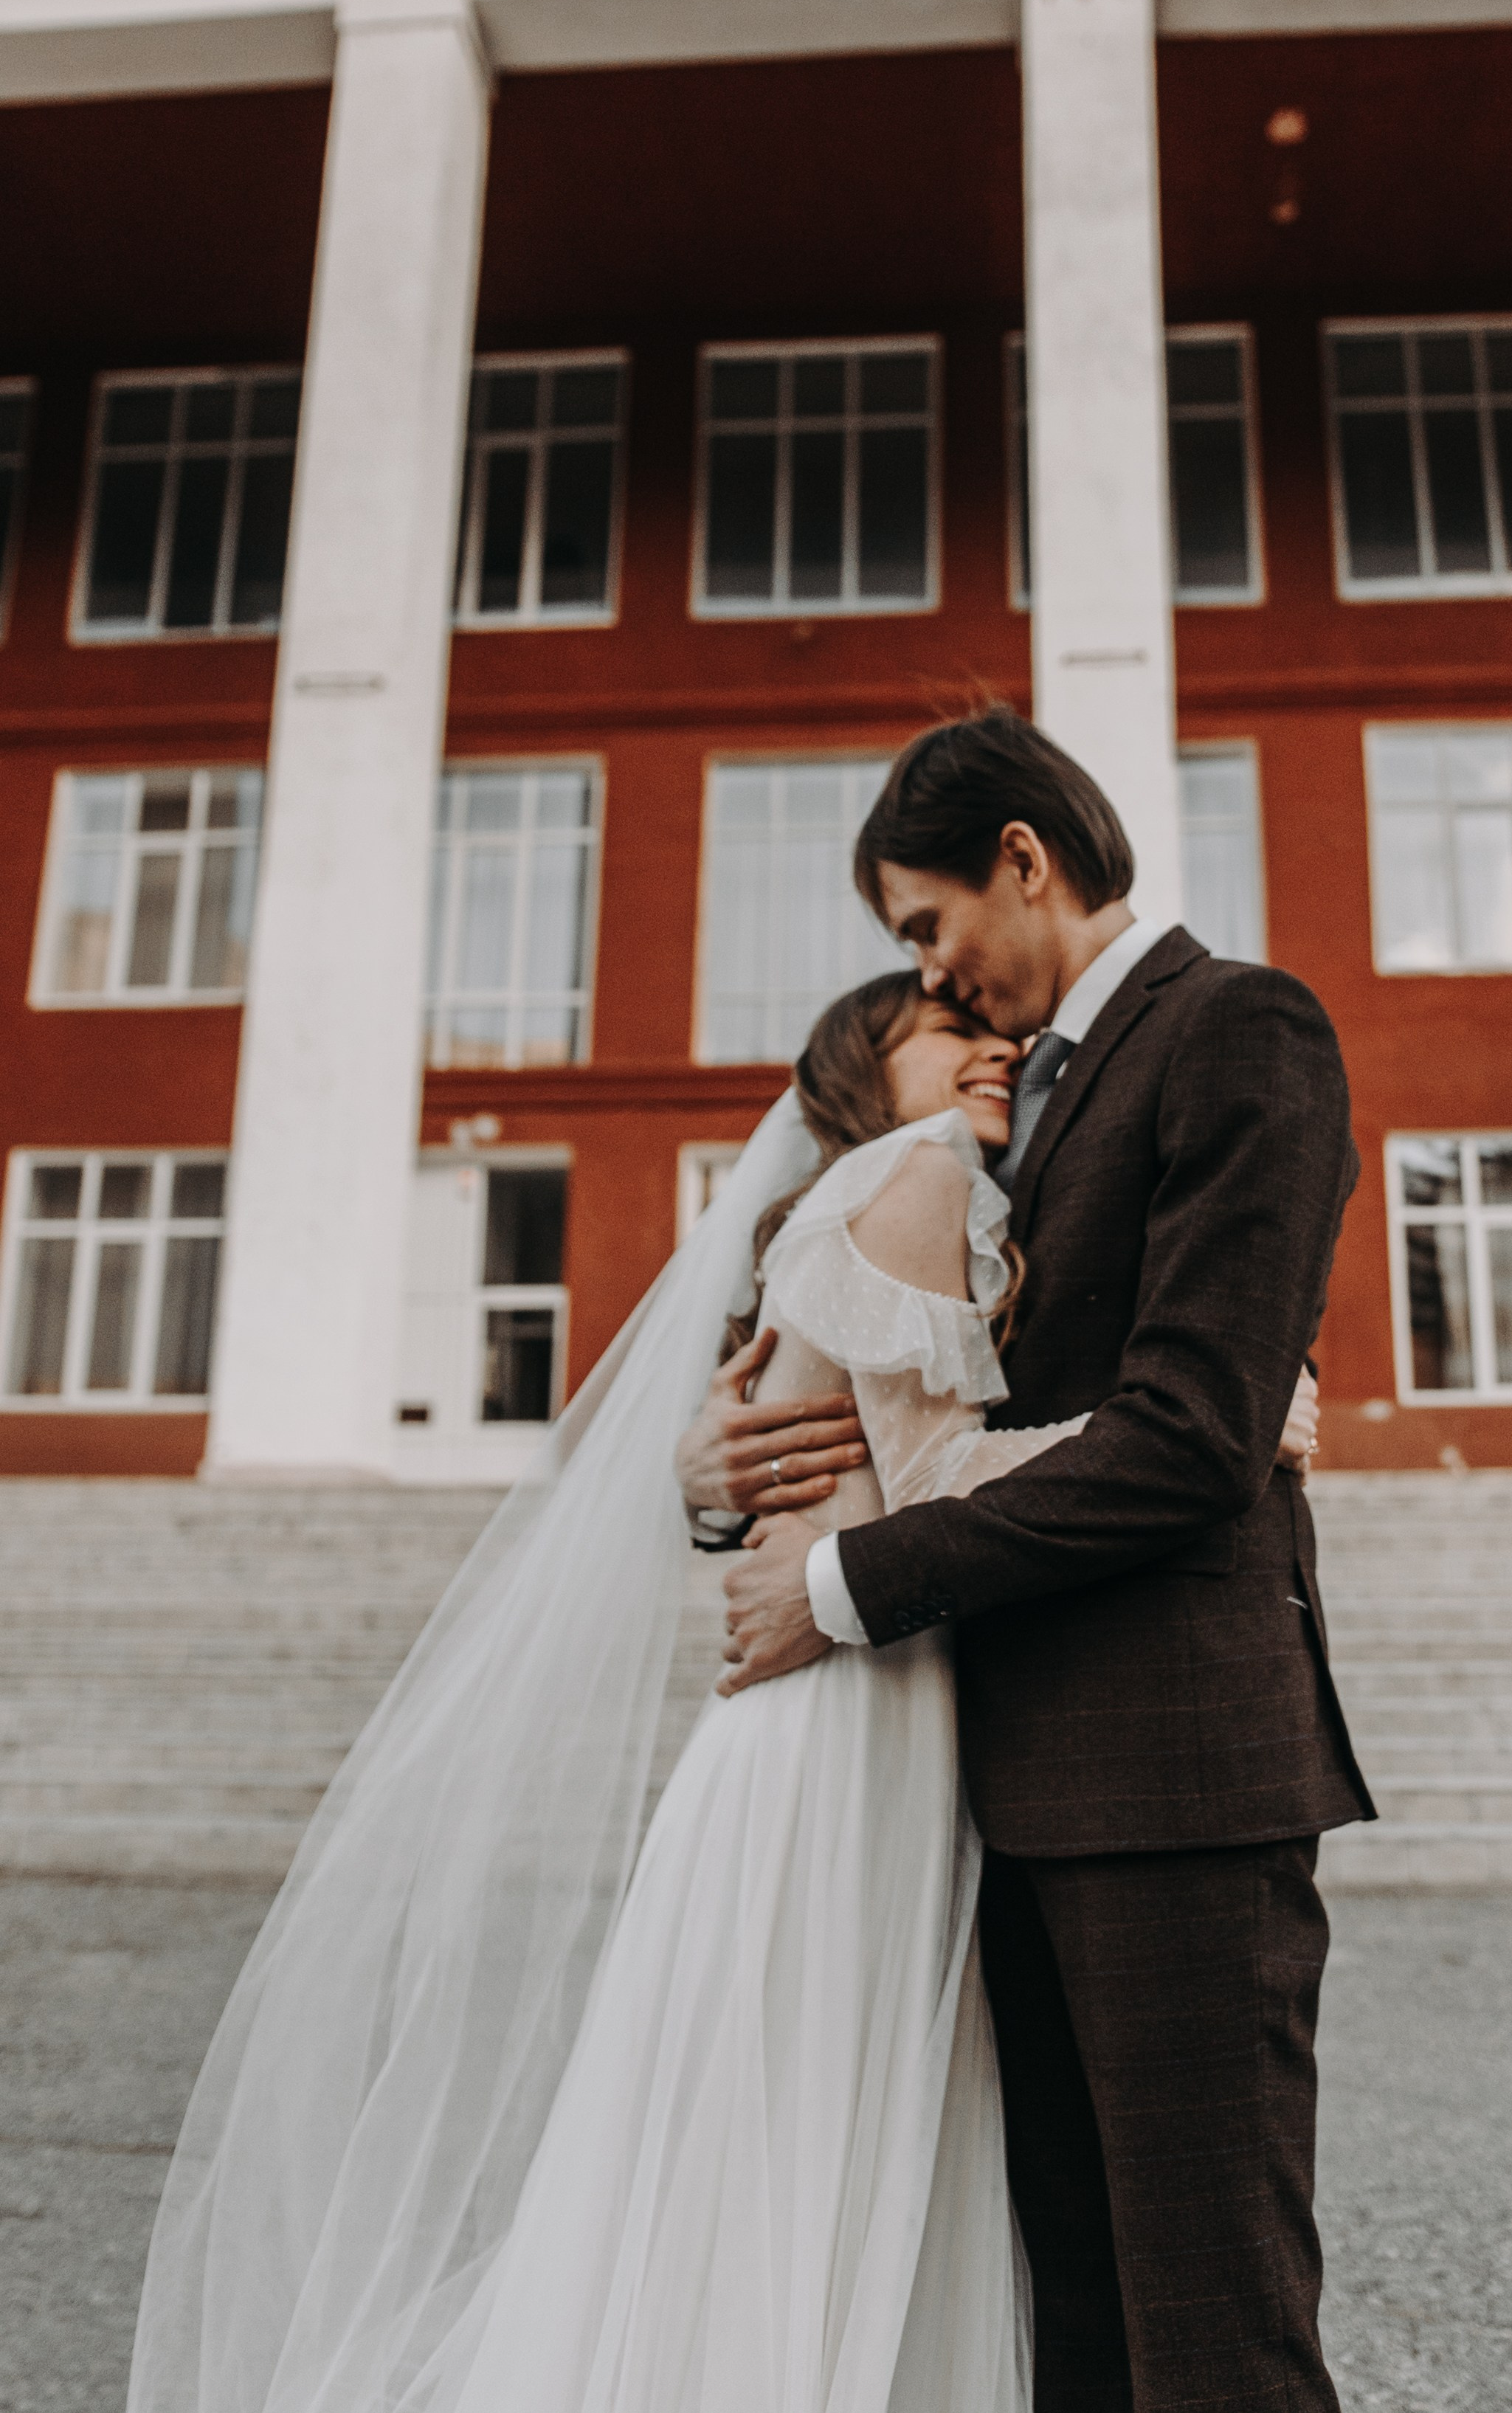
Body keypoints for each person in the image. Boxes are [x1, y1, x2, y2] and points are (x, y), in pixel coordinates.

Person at [133, 969, 1147, 2413]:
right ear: (865, 1065)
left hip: (838, 1709)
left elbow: (857, 1468)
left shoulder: (875, 1202)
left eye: (1002, 1035)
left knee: (761, 2119)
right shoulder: (916, 1181)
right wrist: (1174, 1432)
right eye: (951, 1032)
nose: (996, 1050)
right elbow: (927, 1484)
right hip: (849, 1717)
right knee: (822, 2104)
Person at [684, 709, 1374, 2413]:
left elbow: (1188, 1437)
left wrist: (839, 1585)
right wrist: (721, 1474)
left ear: (1021, 855)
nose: (931, 974)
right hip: (995, 1785)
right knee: (1067, 2315)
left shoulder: (1237, 1028)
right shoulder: (999, 1122)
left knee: (1213, 2323)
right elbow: (889, 1387)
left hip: (1169, 1784)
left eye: (926, 927)